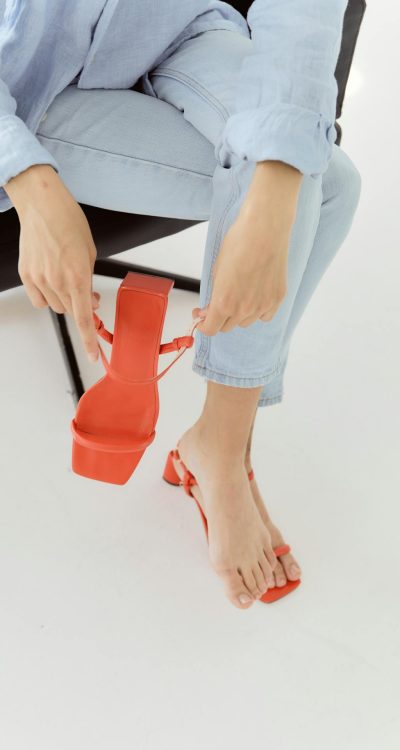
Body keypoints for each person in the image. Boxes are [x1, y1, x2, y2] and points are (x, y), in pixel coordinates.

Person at [0, 1, 362, 609]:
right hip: (28, 82)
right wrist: (30, 182)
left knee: (320, 183)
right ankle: (225, 458)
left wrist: (274, 184)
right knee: (321, 186)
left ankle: (218, 443)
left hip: (176, 29)